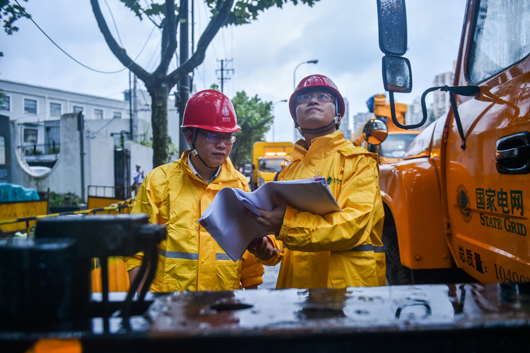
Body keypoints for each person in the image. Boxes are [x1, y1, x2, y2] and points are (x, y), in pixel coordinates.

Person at [246, 74, 386, 289]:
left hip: (347, 291)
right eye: (304, 98)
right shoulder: (288, 171)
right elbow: (281, 233)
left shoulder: (359, 162)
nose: (313, 101)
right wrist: (269, 245)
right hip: (295, 292)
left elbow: (352, 226)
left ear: (338, 113)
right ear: (295, 118)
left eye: (323, 96)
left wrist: (285, 226)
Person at [124, 89, 264, 292]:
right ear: (190, 136)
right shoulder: (158, 181)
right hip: (170, 310)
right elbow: (136, 250)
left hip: (223, 307)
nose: (222, 145)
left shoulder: (240, 186)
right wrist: (146, 308)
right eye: (214, 136)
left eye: (228, 137)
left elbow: (250, 260)